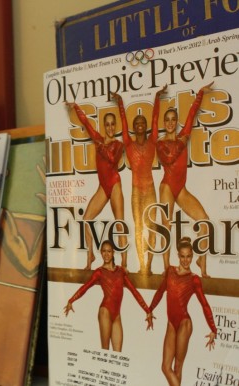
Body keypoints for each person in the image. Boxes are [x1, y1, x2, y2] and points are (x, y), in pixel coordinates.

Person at [156, 83, 213, 276]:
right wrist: (181, 141)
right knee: (167, 225)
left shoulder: (183, 135)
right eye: (168, 120)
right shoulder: (161, 143)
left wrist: (200, 94)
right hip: (166, 188)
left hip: (181, 188)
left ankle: (202, 268)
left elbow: (191, 115)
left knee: (204, 220)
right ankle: (165, 267)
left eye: (174, 119)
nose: (171, 123)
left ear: (176, 121)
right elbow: (169, 158)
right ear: (164, 123)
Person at [66, 102, 127, 269]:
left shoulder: (118, 145)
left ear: (115, 126)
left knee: (120, 223)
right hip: (103, 186)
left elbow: (113, 159)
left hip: (114, 184)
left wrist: (101, 145)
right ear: (104, 126)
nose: (109, 127)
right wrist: (75, 107)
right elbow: (86, 122)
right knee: (86, 220)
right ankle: (90, 256)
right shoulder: (99, 140)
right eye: (106, 124)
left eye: (112, 124)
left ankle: (124, 263)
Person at [63, 240, 154, 352]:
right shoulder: (99, 272)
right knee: (105, 351)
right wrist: (71, 300)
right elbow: (85, 287)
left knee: (117, 355)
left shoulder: (120, 271)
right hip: (105, 311)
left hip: (117, 316)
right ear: (101, 253)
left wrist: (147, 310)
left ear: (113, 252)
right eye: (104, 251)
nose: (106, 254)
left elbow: (134, 291)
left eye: (109, 251)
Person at [149, 236, 216, 386]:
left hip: (185, 324)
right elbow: (160, 292)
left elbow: (204, 304)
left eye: (189, 257)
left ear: (192, 257)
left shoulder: (194, 279)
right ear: (178, 256)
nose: (186, 260)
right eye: (183, 256)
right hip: (171, 323)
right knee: (166, 367)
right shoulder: (170, 271)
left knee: (178, 367)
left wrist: (213, 329)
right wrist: (150, 309)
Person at [112, 90, 159, 274]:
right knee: (139, 227)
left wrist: (157, 97)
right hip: (136, 191)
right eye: (137, 123)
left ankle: (149, 265)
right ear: (134, 127)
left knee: (153, 227)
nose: (140, 124)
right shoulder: (128, 144)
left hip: (150, 189)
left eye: (143, 122)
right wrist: (120, 104)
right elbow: (123, 123)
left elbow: (156, 120)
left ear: (146, 127)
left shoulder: (153, 141)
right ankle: (141, 265)